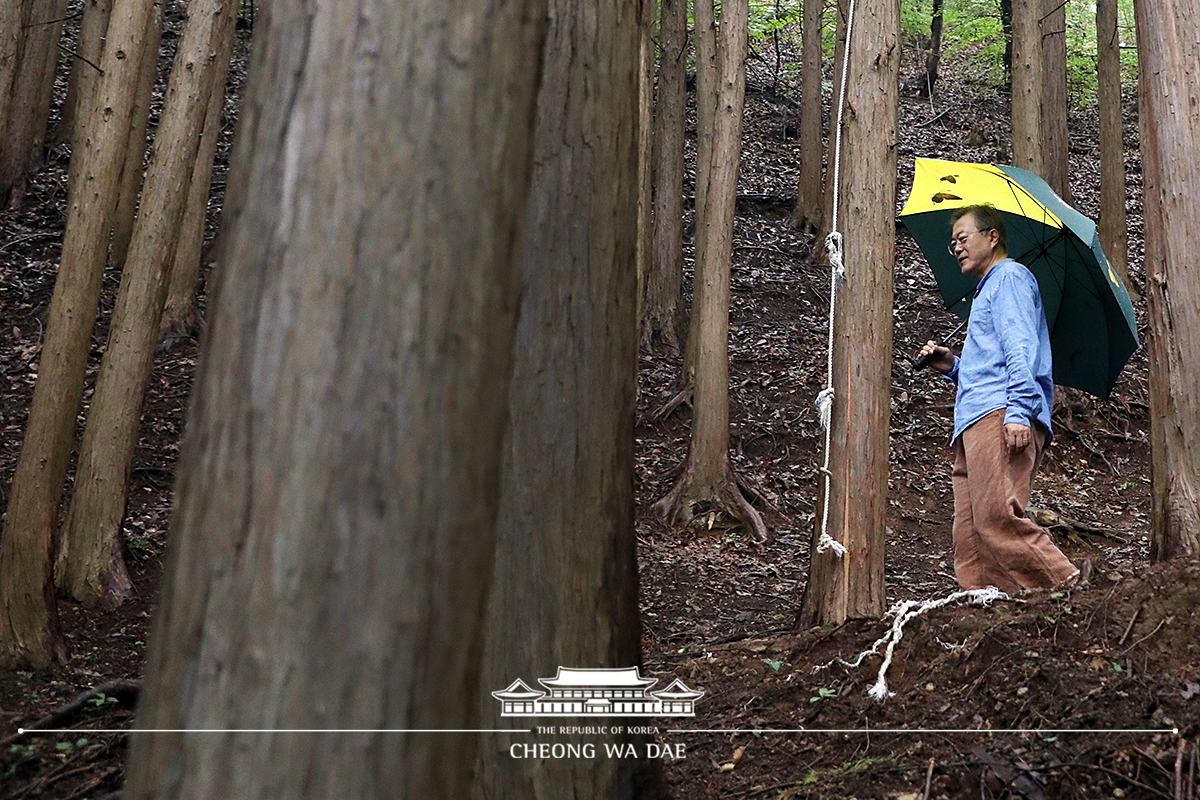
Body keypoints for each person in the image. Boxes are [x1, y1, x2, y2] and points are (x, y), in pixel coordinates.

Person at [917, 204, 1082, 593]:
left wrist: (1020, 412)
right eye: (952, 242)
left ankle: (1073, 586)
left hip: (1001, 412)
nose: (956, 247)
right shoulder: (989, 287)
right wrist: (952, 364)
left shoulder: (1009, 277)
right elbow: (989, 362)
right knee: (970, 532)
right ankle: (983, 605)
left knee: (996, 518)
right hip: (973, 419)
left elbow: (1021, 349)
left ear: (992, 237)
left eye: (963, 238)